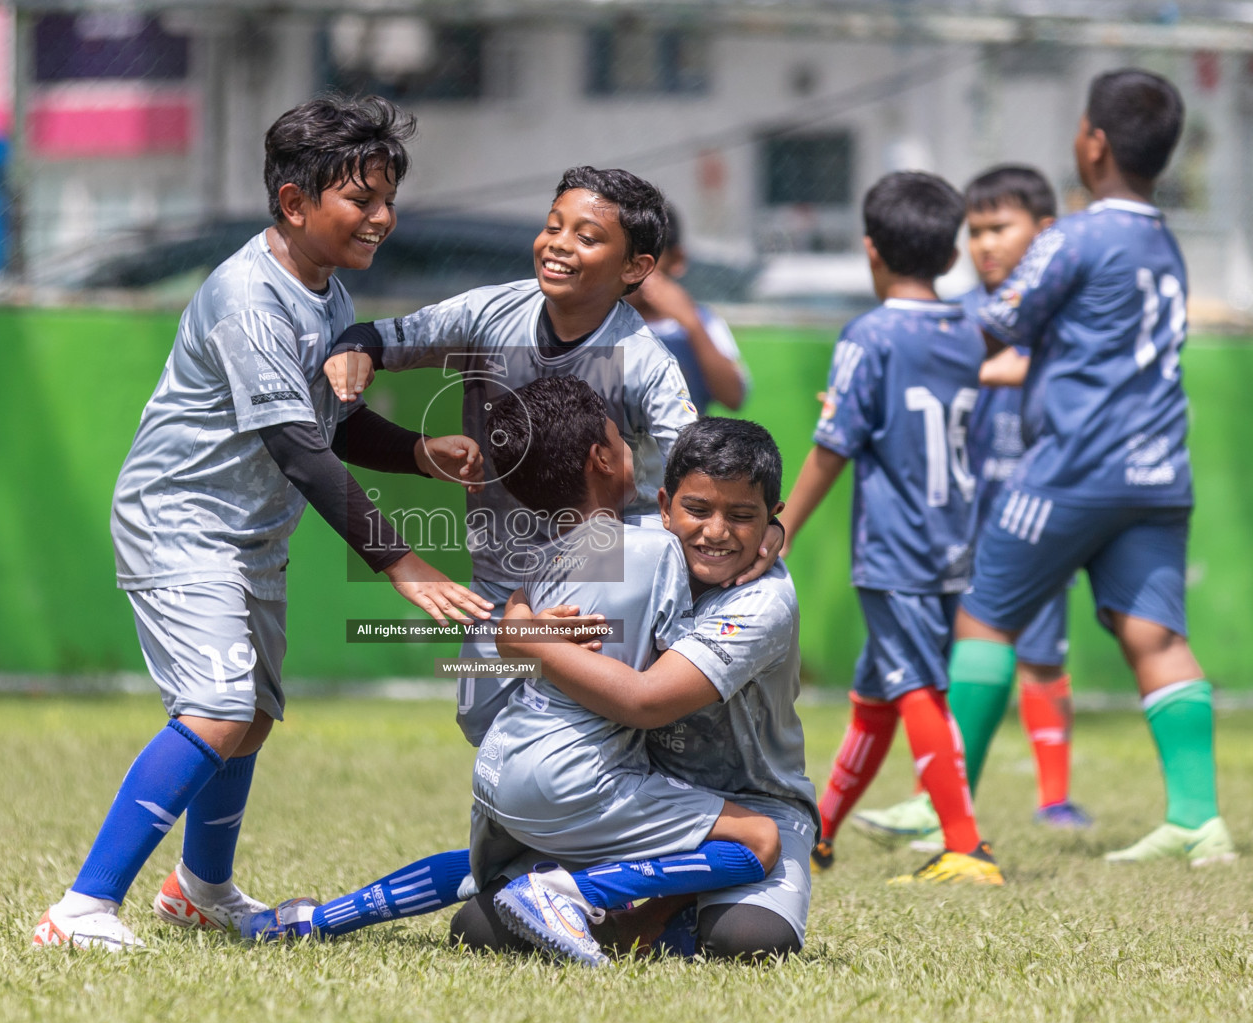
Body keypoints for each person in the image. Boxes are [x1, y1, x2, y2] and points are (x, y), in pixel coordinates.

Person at [31, 96, 493, 952]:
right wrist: (403, 564)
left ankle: (202, 890)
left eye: (388, 197)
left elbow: (333, 424)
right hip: (183, 525)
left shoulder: (322, 287)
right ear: (294, 202)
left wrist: (422, 451)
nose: (383, 217)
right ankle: (82, 908)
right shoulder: (250, 301)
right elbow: (298, 450)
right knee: (214, 708)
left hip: (250, 533)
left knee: (249, 718)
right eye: (362, 200)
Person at [241, 379, 779, 966]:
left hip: (501, 763)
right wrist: (766, 533)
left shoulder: (543, 564)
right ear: (602, 459)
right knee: (758, 839)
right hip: (573, 774)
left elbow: (492, 669)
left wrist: (520, 628)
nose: (630, 447)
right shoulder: (654, 550)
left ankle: (315, 920)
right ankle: (566, 896)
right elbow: (681, 641)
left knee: (483, 869)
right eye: (617, 437)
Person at [324, 167, 781, 748]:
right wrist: (355, 351)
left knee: (588, 731)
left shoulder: (642, 361)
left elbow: (701, 467)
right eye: (552, 227)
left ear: (635, 269)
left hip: (601, 586)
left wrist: (766, 522)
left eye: (587, 237)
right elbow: (379, 336)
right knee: (484, 726)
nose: (559, 244)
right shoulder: (487, 314)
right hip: (496, 583)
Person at [945, 69, 1235, 866]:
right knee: (1154, 634)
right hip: (1156, 470)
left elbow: (998, 320)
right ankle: (1196, 819)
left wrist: (911, 341)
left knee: (984, 617)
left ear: (1094, 143)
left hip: (1075, 465)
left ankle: (953, 821)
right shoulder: (1161, 240)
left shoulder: (1075, 235)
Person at [478, 414, 816, 962]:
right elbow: (532, 583)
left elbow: (646, 702)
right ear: (664, 507)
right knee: (482, 928)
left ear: (771, 519)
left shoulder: (764, 602)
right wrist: (517, 621)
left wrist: (528, 643)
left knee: (749, 941)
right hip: (638, 792)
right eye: (698, 510)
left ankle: (648, 911)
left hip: (755, 808)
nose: (716, 531)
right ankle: (610, 904)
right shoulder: (639, 544)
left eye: (743, 517)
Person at [855, 166, 1092, 847]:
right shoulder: (953, 315)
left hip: (1037, 507)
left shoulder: (1054, 312)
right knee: (943, 656)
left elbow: (1058, 370)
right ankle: (933, 798)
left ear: (1042, 234)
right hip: (959, 514)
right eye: (976, 232)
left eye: (1000, 228)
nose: (987, 244)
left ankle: (1055, 797)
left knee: (1041, 651)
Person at [777, 171, 1000, 885]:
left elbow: (833, 446)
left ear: (871, 251)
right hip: (951, 540)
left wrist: (776, 528)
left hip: (897, 546)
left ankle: (966, 846)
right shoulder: (970, 330)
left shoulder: (868, 334)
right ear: (952, 255)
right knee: (878, 690)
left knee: (917, 689)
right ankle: (819, 835)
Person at [626, 204, 750, 411]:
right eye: (624, 255)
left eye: (647, 256)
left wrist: (692, 324)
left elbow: (733, 397)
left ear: (676, 259)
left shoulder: (701, 320)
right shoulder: (602, 318)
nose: (634, 267)